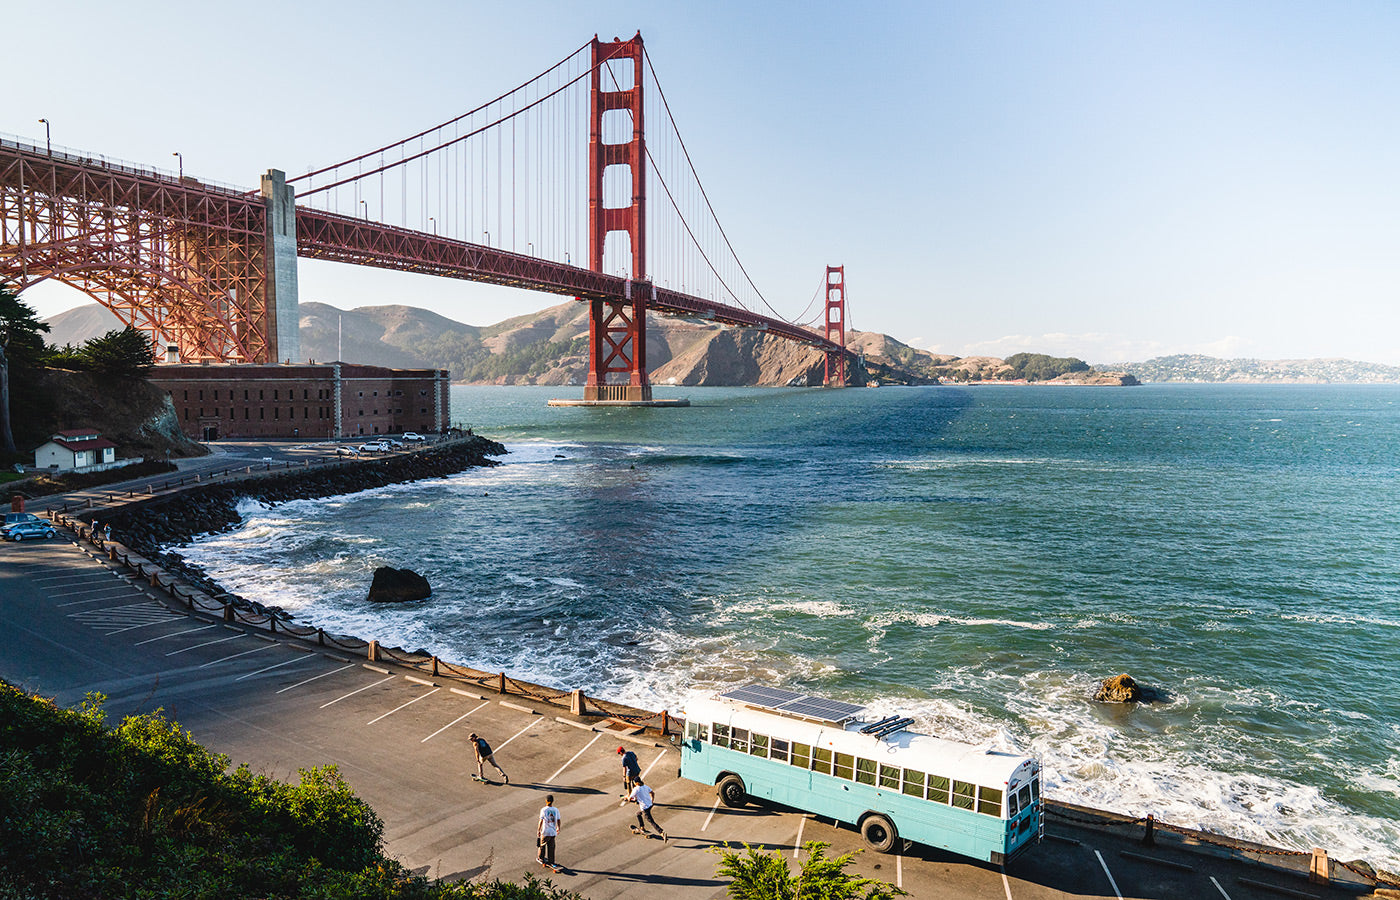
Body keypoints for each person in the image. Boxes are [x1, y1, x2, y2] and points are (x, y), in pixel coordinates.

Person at [627, 776, 667, 842]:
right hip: (650, 805)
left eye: (634, 782)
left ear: (636, 783)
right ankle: (642, 827)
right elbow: (652, 793)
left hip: (645, 808)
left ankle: (662, 833)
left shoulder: (636, 789)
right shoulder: (645, 786)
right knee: (638, 814)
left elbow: (630, 798)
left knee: (651, 821)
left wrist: (628, 799)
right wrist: (652, 800)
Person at [537, 794, 561, 868]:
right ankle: (551, 861)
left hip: (545, 831)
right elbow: (558, 820)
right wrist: (558, 828)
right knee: (551, 847)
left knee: (542, 845)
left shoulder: (544, 810)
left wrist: (538, 830)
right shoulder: (556, 810)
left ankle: (541, 858)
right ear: (552, 801)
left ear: (546, 801)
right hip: (553, 832)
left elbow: (541, 821)